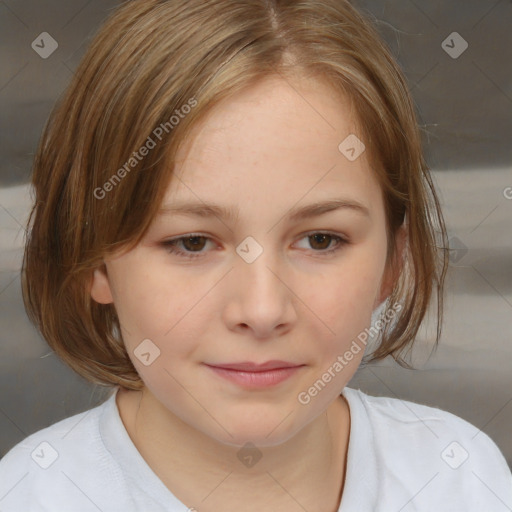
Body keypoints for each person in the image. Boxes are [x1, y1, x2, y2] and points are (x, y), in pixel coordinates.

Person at [1, 0, 511, 510]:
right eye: (193, 242)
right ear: (94, 257)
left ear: (393, 262)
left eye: (320, 240)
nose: (263, 311)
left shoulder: (459, 476)